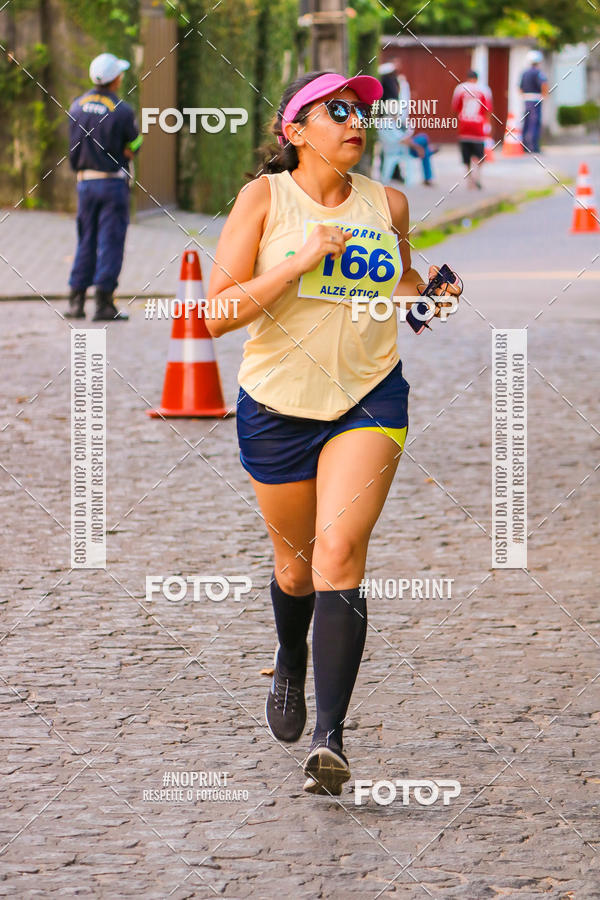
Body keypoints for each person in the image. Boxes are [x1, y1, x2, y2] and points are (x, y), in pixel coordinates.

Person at [205, 71, 461, 796]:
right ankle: (290, 660)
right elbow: (217, 313)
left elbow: (400, 294)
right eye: (337, 110)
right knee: (295, 569)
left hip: (369, 397)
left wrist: (433, 296)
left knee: (340, 552)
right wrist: (299, 259)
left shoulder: (390, 202)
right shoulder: (264, 198)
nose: (356, 121)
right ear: (296, 130)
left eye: (362, 111)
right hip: (279, 405)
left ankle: (330, 739)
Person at [66, 53, 143, 321]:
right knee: (110, 241)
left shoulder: (76, 106)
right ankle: (103, 304)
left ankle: (76, 301)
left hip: (85, 184)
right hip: (112, 186)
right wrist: (128, 149)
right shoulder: (121, 110)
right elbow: (134, 144)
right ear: (115, 79)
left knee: (86, 239)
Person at [378, 60, 437, 186]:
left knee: (423, 146)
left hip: (398, 147)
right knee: (424, 141)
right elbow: (402, 140)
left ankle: (427, 159)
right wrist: (416, 147)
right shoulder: (387, 122)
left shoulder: (384, 120)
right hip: (401, 148)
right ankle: (428, 171)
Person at [451, 69, 493, 190]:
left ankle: (469, 180)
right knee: (479, 155)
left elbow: (454, 109)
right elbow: (488, 110)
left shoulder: (460, 89)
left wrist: (457, 124)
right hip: (478, 126)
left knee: (466, 156)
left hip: (464, 126)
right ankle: (477, 177)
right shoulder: (484, 90)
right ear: (477, 78)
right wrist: (488, 126)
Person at [519, 50, 548, 154]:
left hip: (526, 100)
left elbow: (520, 88)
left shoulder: (524, 73)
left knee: (526, 123)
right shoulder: (539, 73)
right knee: (534, 123)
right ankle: (534, 147)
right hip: (536, 100)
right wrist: (544, 96)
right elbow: (544, 85)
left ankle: (524, 147)